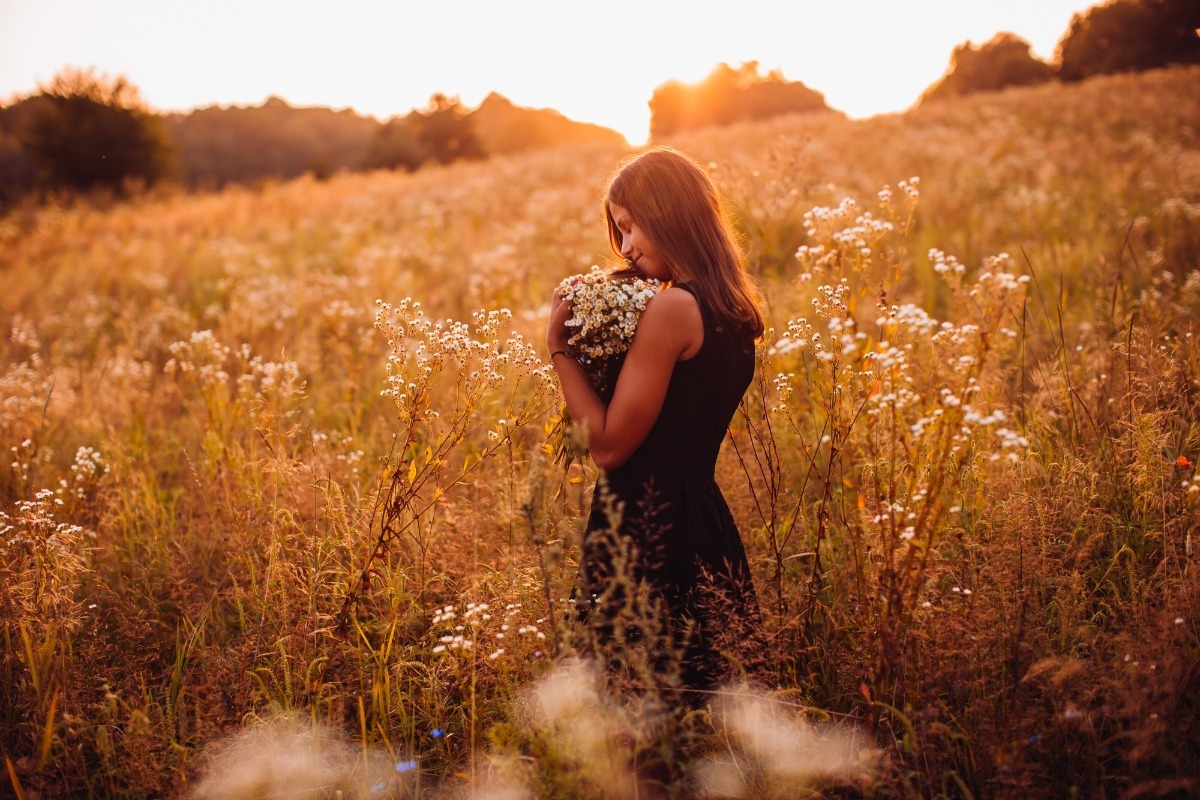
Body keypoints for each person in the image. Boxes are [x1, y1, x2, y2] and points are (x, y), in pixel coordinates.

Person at [546, 146, 768, 696]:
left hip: (647, 531)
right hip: (703, 520)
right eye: (617, 233)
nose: (624, 248)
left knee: (636, 721)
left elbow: (608, 446)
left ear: (667, 212)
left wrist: (561, 350)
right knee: (700, 715)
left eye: (629, 227)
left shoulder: (672, 312)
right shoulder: (728, 309)